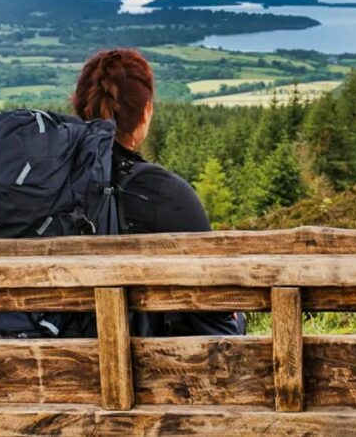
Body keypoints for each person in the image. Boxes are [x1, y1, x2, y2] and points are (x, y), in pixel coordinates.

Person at [72, 48, 244, 336]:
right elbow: (217, 314)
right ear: (145, 111)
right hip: (147, 371)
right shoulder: (166, 193)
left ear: (80, 108)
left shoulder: (42, 183)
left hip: (35, 361)